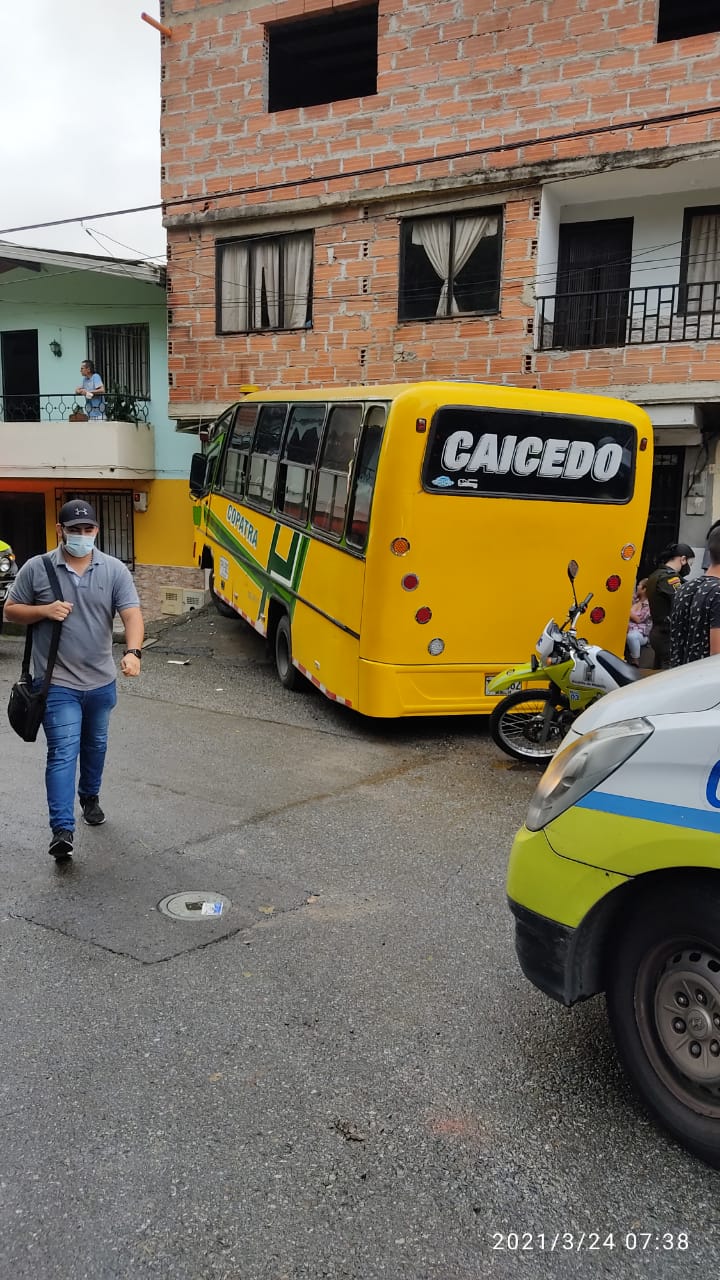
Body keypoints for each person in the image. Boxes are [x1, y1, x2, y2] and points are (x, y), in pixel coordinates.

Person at [3, 500, 144, 863]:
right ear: (60, 530)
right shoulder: (37, 568)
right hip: (57, 685)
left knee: (95, 746)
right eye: (74, 529)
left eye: (88, 530)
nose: (82, 536)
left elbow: (131, 614)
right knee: (63, 752)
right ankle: (62, 830)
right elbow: (11, 610)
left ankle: (90, 797)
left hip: (100, 682)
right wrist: (44, 611)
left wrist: (133, 652)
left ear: (97, 531)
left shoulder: (113, 570)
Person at [670, 527, 720, 667]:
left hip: (680, 678)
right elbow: (717, 657)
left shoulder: (684, 588)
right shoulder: (718, 593)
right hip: (706, 684)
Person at [645, 542, 694, 670]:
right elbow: (682, 602)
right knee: (670, 676)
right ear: (683, 559)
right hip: (667, 635)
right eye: (690, 563)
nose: (689, 567)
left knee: (658, 674)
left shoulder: (656, 574)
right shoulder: (669, 578)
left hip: (659, 633)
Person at [626, 577, 651, 665]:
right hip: (627, 628)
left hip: (640, 633)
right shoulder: (634, 599)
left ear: (644, 589)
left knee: (632, 636)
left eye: (639, 585)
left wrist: (625, 611)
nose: (637, 586)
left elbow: (639, 619)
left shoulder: (649, 604)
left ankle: (635, 659)